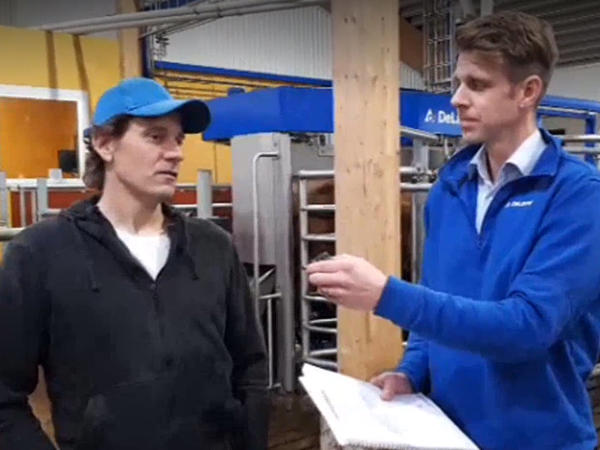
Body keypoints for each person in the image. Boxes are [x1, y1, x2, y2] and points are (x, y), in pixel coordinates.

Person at [307, 11, 600, 450]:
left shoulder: (577, 195)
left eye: (477, 85)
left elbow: (528, 328)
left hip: (539, 439)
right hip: (448, 434)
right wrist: (412, 371)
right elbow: (436, 297)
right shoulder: (451, 186)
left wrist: (386, 295)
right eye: (458, 83)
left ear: (528, 91)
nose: (457, 99)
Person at [0, 77, 268, 450]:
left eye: (179, 140)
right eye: (156, 137)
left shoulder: (213, 247)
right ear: (105, 144)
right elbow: (4, 396)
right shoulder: (40, 253)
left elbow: (250, 369)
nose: (175, 154)